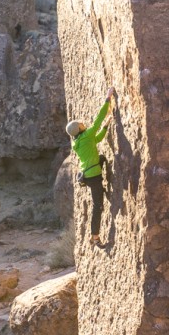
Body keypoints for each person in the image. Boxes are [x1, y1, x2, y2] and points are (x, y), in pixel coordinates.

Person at [66, 87, 116, 245]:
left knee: (101, 157)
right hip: (93, 176)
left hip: (87, 173)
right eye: (80, 123)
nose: (82, 123)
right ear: (80, 129)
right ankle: (95, 236)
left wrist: (107, 127)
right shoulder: (86, 135)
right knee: (98, 206)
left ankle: (104, 186)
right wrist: (108, 98)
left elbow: (98, 139)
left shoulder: (81, 141)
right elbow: (98, 120)